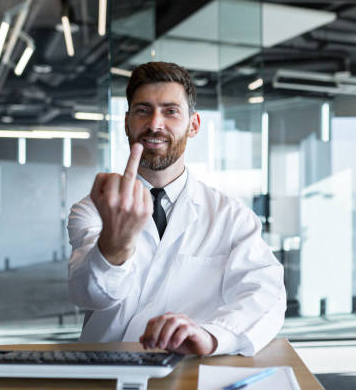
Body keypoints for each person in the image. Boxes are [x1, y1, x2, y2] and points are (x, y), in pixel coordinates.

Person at [67, 61, 286, 356]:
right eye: (143, 111)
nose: (155, 124)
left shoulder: (230, 215)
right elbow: (89, 295)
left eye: (171, 111)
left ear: (193, 125)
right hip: (106, 367)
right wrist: (114, 245)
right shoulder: (93, 208)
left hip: (190, 369)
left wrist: (212, 335)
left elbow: (266, 294)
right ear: (126, 122)